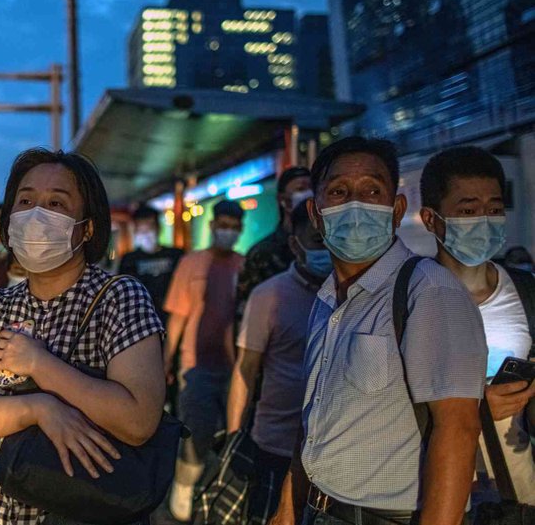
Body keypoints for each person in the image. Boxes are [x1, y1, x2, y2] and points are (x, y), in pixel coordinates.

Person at [0, 149, 165, 525]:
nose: (36, 215)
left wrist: (39, 363)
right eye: (25, 201)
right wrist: (40, 408)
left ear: (86, 228)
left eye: (56, 202)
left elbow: (138, 422)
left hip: (84, 511)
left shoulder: (120, 298)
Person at [270, 137, 487, 525]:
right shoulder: (324, 302)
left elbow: (457, 429)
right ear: (316, 214)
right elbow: (313, 421)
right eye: (338, 192)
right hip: (317, 512)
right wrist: (288, 507)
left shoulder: (428, 290)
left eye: (372, 190)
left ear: (396, 209)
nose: (356, 204)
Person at [418, 146, 535, 506]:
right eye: (467, 211)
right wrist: (475, 406)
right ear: (431, 219)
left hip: (517, 492)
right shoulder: (409, 297)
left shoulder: (526, 291)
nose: (484, 220)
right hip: (433, 494)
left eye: (494, 209)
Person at [226, 202, 331, 525]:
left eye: (330, 239)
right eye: (316, 240)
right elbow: (246, 369)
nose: (325, 249)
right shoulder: (268, 295)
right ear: (294, 245)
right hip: (275, 446)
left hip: (329, 452)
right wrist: (233, 439)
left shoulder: (348, 295)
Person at [164, 199, 246, 521]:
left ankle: (219, 491)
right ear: (212, 226)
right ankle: (183, 488)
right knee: (195, 432)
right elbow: (177, 320)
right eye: (222, 225)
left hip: (235, 369)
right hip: (196, 367)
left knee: (231, 436)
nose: (227, 231)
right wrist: (165, 362)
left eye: (233, 227)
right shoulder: (191, 264)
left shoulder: (244, 264)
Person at [236, 167, 312, 317]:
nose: (309, 195)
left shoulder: (329, 246)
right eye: (301, 189)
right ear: (283, 200)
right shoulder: (262, 254)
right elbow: (246, 312)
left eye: (312, 188)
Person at [119, 205, 184, 324]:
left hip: (173, 319)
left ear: (159, 228)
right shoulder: (129, 260)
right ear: (135, 231)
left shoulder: (176, 256)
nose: (146, 233)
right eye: (141, 229)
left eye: (149, 227)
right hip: (142, 322)